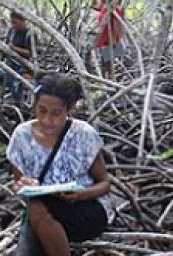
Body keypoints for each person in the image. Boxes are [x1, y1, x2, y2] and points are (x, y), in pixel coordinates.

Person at [7, 74, 111, 256]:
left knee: (37, 213)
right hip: (43, 210)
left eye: (56, 113)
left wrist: (81, 194)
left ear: (69, 110)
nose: (47, 120)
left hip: (86, 207)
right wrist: (24, 185)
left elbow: (104, 183)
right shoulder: (21, 136)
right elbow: (18, 184)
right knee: (37, 207)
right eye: (42, 110)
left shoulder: (84, 134)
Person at [93, 0, 124, 78]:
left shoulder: (115, 9)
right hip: (103, 40)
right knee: (103, 63)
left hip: (109, 40)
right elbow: (94, 6)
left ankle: (109, 83)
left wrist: (114, 41)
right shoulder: (104, 7)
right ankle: (104, 81)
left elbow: (116, 25)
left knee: (108, 65)